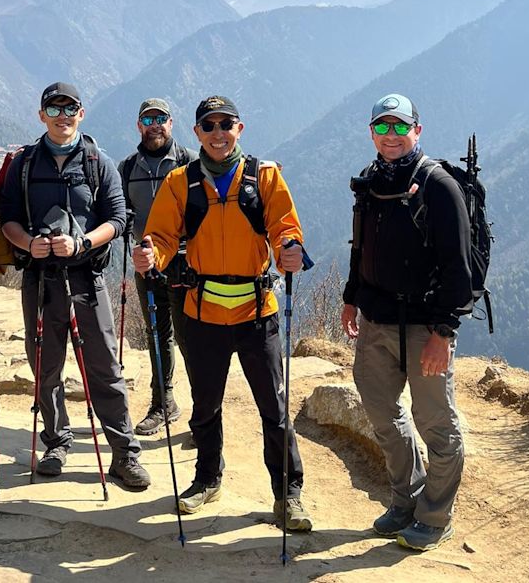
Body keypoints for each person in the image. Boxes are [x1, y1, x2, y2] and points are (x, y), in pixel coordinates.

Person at [133, 94, 312, 531]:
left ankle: (288, 496)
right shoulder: (180, 182)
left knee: (274, 407)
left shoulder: (264, 177)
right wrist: (150, 255)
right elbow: (159, 233)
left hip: (256, 313)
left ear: (240, 129)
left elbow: (285, 227)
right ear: (196, 133)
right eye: (208, 126)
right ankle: (207, 479)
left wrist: (290, 249)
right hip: (202, 313)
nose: (217, 133)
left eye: (225, 124)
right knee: (205, 405)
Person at [0, 81, 150, 489]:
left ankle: (124, 453)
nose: (63, 116)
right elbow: (8, 216)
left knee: (103, 364)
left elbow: (118, 221)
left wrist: (82, 241)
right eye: (55, 109)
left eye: (71, 109)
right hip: (41, 276)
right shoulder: (24, 164)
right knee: (45, 363)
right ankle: (56, 441)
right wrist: (30, 243)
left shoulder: (99, 163)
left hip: (86, 276)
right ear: (41, 114)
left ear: (81, 115)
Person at [341, 93, 472, 551]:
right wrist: (350, 298)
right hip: (375, 321)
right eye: (382, 127)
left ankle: (435, 516)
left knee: (436, 423)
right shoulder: (372, 181)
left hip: (424, 326)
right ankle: (406, 499)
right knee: (382, 415)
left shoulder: (438, 186)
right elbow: (361, 248)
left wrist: (443, 333)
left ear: (418, 130)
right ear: (372, 132)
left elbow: (460, 270)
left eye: (400, 127)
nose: (391, 135)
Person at [118, 98, 196, 436]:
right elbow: (120, 214)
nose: (155, 124)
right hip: (146, 262)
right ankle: (163, 403)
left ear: (171, 122)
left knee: (189, 336)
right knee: (156, 333)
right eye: (148, 119)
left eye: (161, 118)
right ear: (139, 125)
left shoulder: (190, 162)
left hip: (185, 262)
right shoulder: (127, 168)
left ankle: (204, 412)